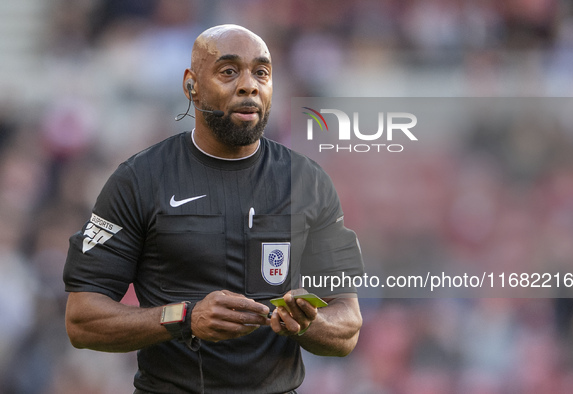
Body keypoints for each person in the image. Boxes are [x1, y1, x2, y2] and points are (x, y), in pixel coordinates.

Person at [63, 24, 364, 394]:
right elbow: (82, 320)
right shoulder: (139, 179)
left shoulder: (309, 182)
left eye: (262, 73)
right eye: (228, 71)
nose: (249, 85)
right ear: (191, 85)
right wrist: (185, 318)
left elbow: (347, 325)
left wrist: (305, 323)